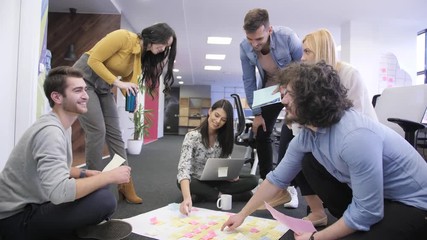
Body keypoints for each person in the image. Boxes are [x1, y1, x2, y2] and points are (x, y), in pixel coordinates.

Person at [221, 62, 427, 240]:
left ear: (312, 98)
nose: (283, 101)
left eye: (288, 95)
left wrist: (315, 237)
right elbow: (276, 179)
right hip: (379, 198)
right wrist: (243, 214)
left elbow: (367, 211)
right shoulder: (309, 133)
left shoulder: (355, 137)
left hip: (413, 203)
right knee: (308, 161)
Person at [0, 66, 133, 240]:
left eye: (85, 89)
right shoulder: (50, 132)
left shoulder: (62, 125)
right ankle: (75, 231)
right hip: (16, 220)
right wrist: (108, 177)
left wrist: (85, 173)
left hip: (37, 203)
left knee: (99, 185)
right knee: (104, 199)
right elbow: (59, 192)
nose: (86, 95)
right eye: (78, 90)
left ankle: (75, 230)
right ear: (57, 97)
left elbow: (58, 167)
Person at [279, 28, 378, 226]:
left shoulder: (349, 73)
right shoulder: (307, 81)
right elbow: (302, 122)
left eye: (307, 52)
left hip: (352, 139)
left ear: (321, 51)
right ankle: (317, 211)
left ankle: (355, 212)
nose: (302, 58)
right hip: (324, 133)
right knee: (293, 143)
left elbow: (356, 117)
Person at [73, 23, 177, 204]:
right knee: (97, 131)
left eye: (167, 48)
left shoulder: (141, 56)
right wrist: (118, 83)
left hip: (104, 87)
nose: (163, 49)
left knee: (115, 134)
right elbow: (94, 60)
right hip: (83, 81)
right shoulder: (123, 37)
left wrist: (133, 101)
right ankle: (91, 183)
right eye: (163, 44)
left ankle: (125, 183)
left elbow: (129, 83)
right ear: (154, 37)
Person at [240, 8, 303, 208]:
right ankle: (266, 182)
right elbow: (249, 80)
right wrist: (257, 113)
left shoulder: (288, 38)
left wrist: (293, 96)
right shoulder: (244, 47)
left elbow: (303, 69)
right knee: (261, 130)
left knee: (292, 132)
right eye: (250, 39)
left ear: (270, 30)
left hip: (294, 86)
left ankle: (290, 188)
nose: (254, 44)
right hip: (270, 88)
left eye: (258, 39)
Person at [177, 99, 259, 215]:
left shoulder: (224, 138)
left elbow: (226, 161)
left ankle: (207, 194)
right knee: (181, 182)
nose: (218, 121)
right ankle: (221, 196)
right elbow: (183, 168)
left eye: (223, 120)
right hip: (197, 180)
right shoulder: (192, 136)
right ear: (210, 111)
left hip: (218, 179)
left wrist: (230, 175)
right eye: (216, 115)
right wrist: (186, 198)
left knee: (253, 180)